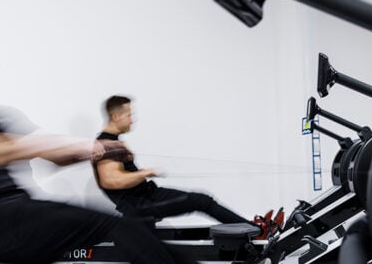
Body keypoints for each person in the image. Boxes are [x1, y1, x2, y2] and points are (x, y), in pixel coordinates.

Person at [0, 28, 264, 264]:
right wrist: (26, 146)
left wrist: (92, 148)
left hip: (21, 214)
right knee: (115, 223)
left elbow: (52, 152)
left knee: (128, 226)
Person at [94, 95, 283, 238]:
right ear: (116, 116)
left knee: (203, 201)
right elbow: (111, 181)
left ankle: (251, 228)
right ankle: (256, 232)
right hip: (141, 204)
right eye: (128, 115)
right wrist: (146, 172)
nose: (132, 119)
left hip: (148, 195)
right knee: (202, 201)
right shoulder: (105, 144)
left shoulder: (113, 142)